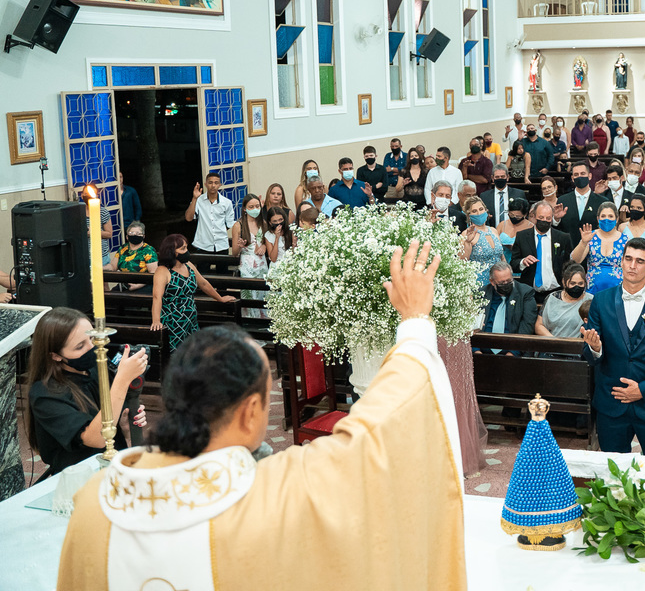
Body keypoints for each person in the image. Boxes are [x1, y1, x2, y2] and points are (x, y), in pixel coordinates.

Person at [59, 241, 468, 589]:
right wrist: (415, 322)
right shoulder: (283, 495)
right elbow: (379, 429)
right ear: (252, 410)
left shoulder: (95, 508)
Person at [579, 238, 645, 457]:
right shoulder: (600, 301)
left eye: (639, 261)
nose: (632, 265)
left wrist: (643, 390)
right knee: (613, 477)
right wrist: (595, 348)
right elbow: (589, 356)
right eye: (628, 259)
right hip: (612, 402)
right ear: (621, 261)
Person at [24, 308, 147, 478]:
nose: (93, 348)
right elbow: (96, 439)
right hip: (78, 478)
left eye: (92, 338)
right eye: (80, 346)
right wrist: (122, 380)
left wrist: (126, 429)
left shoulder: (97, 370)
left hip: (115, 468)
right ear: (55, 356)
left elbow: (119, 435)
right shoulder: (45, 393)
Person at [151, 235, 236, 350]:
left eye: (186, 247)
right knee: (176, 352)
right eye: (182, 249)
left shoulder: (188, 265)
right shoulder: (163, 271)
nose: (186, 251)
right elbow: (157, 297)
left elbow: (203, 284)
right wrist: (156, 321)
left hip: (191, 317)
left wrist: (219, 298)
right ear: (172, 252)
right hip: (173, 319)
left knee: (195, 350)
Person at [510, 201, 571, 304]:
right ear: (534, 216)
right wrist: (523, 262)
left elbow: (569, 264)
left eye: (548, 218)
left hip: (557, 291)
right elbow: (513, 264)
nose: (544, 221)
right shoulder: (522, 236)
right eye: (541, 218)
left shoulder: (563, 238)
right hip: (530, 292)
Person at [475, 262, 537, 355]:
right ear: (492, 282)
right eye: (501, 282)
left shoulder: (525, 293)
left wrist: (513, 353)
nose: (505, 284)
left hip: (513, 350)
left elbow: (527, 325)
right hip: (482, 351)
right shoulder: (481, 294)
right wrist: (476, 351)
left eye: (509, 281)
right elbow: (472, 325)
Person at [570, 201, 628, 294]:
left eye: (610, 216)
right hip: (592, 290)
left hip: (618, 292)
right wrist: (583, 242)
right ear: (598, 219)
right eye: (603, 216)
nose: (606, 219)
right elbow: (576, 260)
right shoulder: (590, 236)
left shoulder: (626, 240)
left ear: (617, 219)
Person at [230, 194, 269, 318]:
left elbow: (268, 243)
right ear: (245, 209)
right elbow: (234, 253)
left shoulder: (263, 223)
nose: (255, 209)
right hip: (247, 265)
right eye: (251, 207)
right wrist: (240, 246)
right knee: (249, 295)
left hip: (262, 265)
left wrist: (264, 246)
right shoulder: (238, 225)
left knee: (263, 295)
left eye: (257, 206)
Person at [554, 161, 604, 249]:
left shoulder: (601, 201)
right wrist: (556, 219)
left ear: (589, 176)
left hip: (594, 250)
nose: (579, 177)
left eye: (583, 173)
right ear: (572, 178)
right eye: (576, 175)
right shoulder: (562, 200)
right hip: (569, 250)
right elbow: (558, 229)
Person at [534, 263, 591, 338]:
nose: (577, 287)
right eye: (572, 283)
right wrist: (555, 341)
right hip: (552, 344)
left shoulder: (590, 300)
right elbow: (539, 325)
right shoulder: (552, 298)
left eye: (580, 283)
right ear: (564, 282)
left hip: (578, 346)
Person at [185, 173, 235, 255]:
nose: (213, 185)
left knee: (222, 267)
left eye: (216, 183)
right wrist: (194, 198)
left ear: (220, 185)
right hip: (203, 244)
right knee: (203, 267)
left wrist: (217, 230)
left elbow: (229, 223)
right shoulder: (199, 200)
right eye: (210, 182)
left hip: (221, 244)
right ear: (205, 184)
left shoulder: (227, 203)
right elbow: (188, 218)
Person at [459, 196, 505, 283]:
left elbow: (502, 258)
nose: (478, 213)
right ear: (469, 216)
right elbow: (462, 262)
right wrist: (468, 242)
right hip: (478, 284)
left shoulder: (494, 231)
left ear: (486, 211)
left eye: (481, 209)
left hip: (499, 283)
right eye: (474, 211)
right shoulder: (465, 234)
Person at [108, 220, 158, 291]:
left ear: (143, 236)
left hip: (143, 285)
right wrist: (100, 267)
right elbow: (113, 266)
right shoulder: (123, 248)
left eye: (138, 233)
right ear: (127, 237)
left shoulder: (148, 250)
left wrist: (137, 286)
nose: (135, 235)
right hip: (125, 285)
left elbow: (153, 273)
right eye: (131, 233)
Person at [495, 197, 531, 263]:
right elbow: (494, 243)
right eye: (511, 215)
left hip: (521, 263)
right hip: (502, 263)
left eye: (517, 217)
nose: (514, 218)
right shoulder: (502, 224)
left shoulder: (531, 227)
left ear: (525, 215)